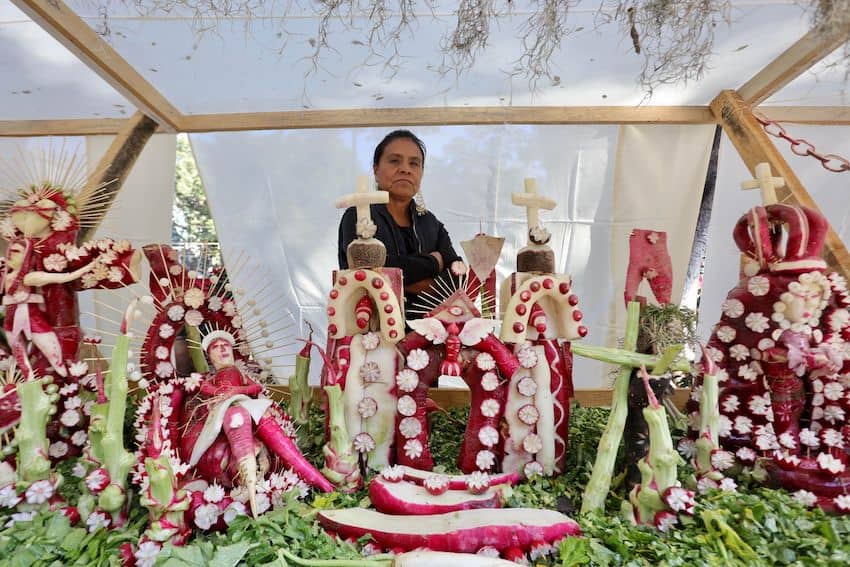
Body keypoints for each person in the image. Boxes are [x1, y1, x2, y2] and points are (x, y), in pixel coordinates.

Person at [180, 330, 332, 515]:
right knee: (221, 433)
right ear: (209, 356)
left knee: (276, 437)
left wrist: (234, 392)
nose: (222, 350)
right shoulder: (211, 378)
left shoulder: (238, 373)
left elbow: (256, 387)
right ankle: (249, 484)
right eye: (216, 348)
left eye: (225, 346)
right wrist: (219, 394)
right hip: (222, 412)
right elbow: (204, 387)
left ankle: (316, 479)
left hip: (246, 406)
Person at [338, 130, 464, 315]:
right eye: (394, 161)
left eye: (414, 163)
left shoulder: (431, 223)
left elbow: (458, 275)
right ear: (376, 169)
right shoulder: (359, 216)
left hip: (432, 332)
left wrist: (395, 276)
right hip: (372, 331)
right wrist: (433, 263)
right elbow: (368, 275)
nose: (406, 169)